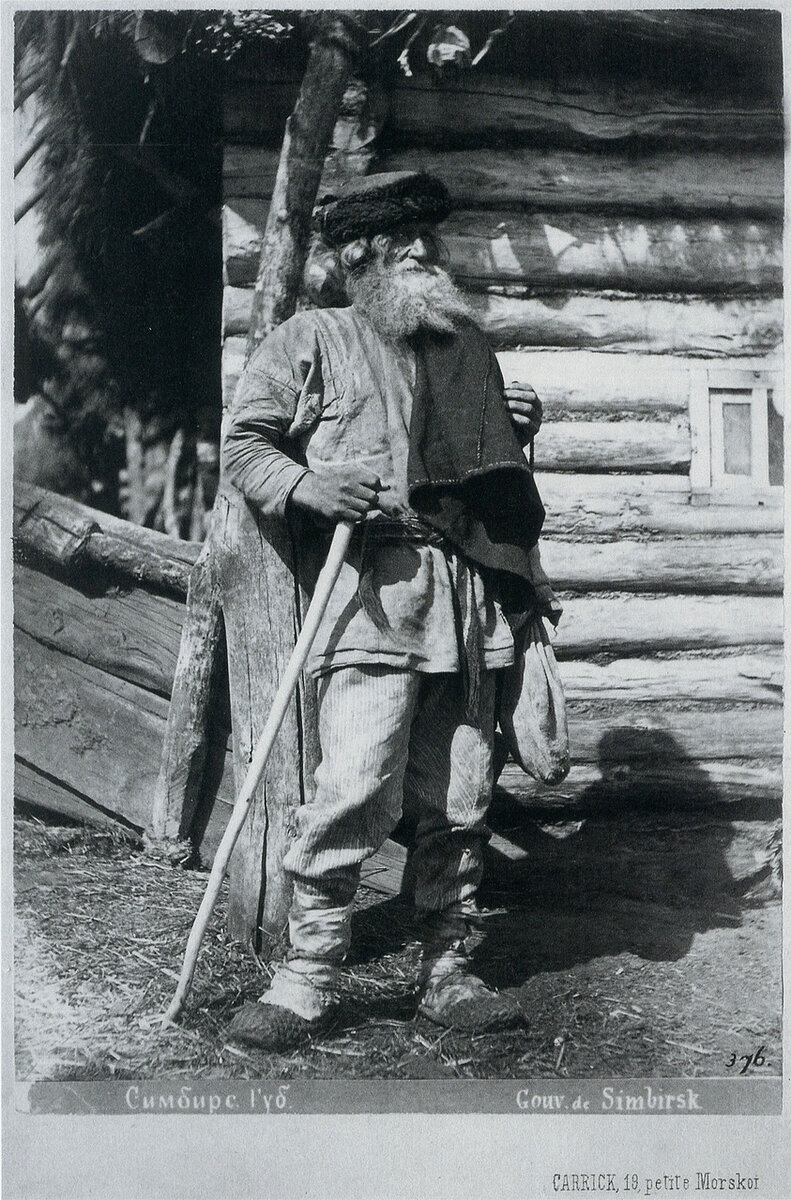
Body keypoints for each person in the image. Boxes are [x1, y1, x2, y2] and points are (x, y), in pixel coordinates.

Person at [222, 171, 548, 1050]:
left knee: (461, 793)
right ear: (357, 255)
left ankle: (447, 967)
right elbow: (244, 446)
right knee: (353, 787)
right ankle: (308, 976)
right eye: (405, 242)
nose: (424, 254)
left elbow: (491, 482)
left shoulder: (460, 346)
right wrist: (311, 484)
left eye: (429, 243)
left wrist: (517, 430)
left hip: (468, 606)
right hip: (372, 599)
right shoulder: (312, 338)